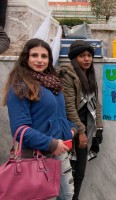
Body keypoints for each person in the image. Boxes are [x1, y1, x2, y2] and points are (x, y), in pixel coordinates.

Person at [3, 38, 76, 200]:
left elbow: (59, 116)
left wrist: (71, 129)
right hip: (36, 157)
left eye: (44, 56)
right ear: (26, 58)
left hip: (59, 153)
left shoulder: (53, 84)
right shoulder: (20, 86)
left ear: (50, 59)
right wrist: (51, 144)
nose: (39, 60)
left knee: (67, 196)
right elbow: (20, 130)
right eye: (34, 55)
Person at [57, 40, 103, 200]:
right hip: (70, 132)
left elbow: (96, 103)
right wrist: (81, 132)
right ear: (74, 58)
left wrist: (99, 128)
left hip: (86, 132)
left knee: (79, 176)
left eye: (89, 55)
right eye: (82, 56)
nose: (87, 59)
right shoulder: (67, 75)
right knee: (67, 178)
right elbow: (69, 107)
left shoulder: (89, 75)